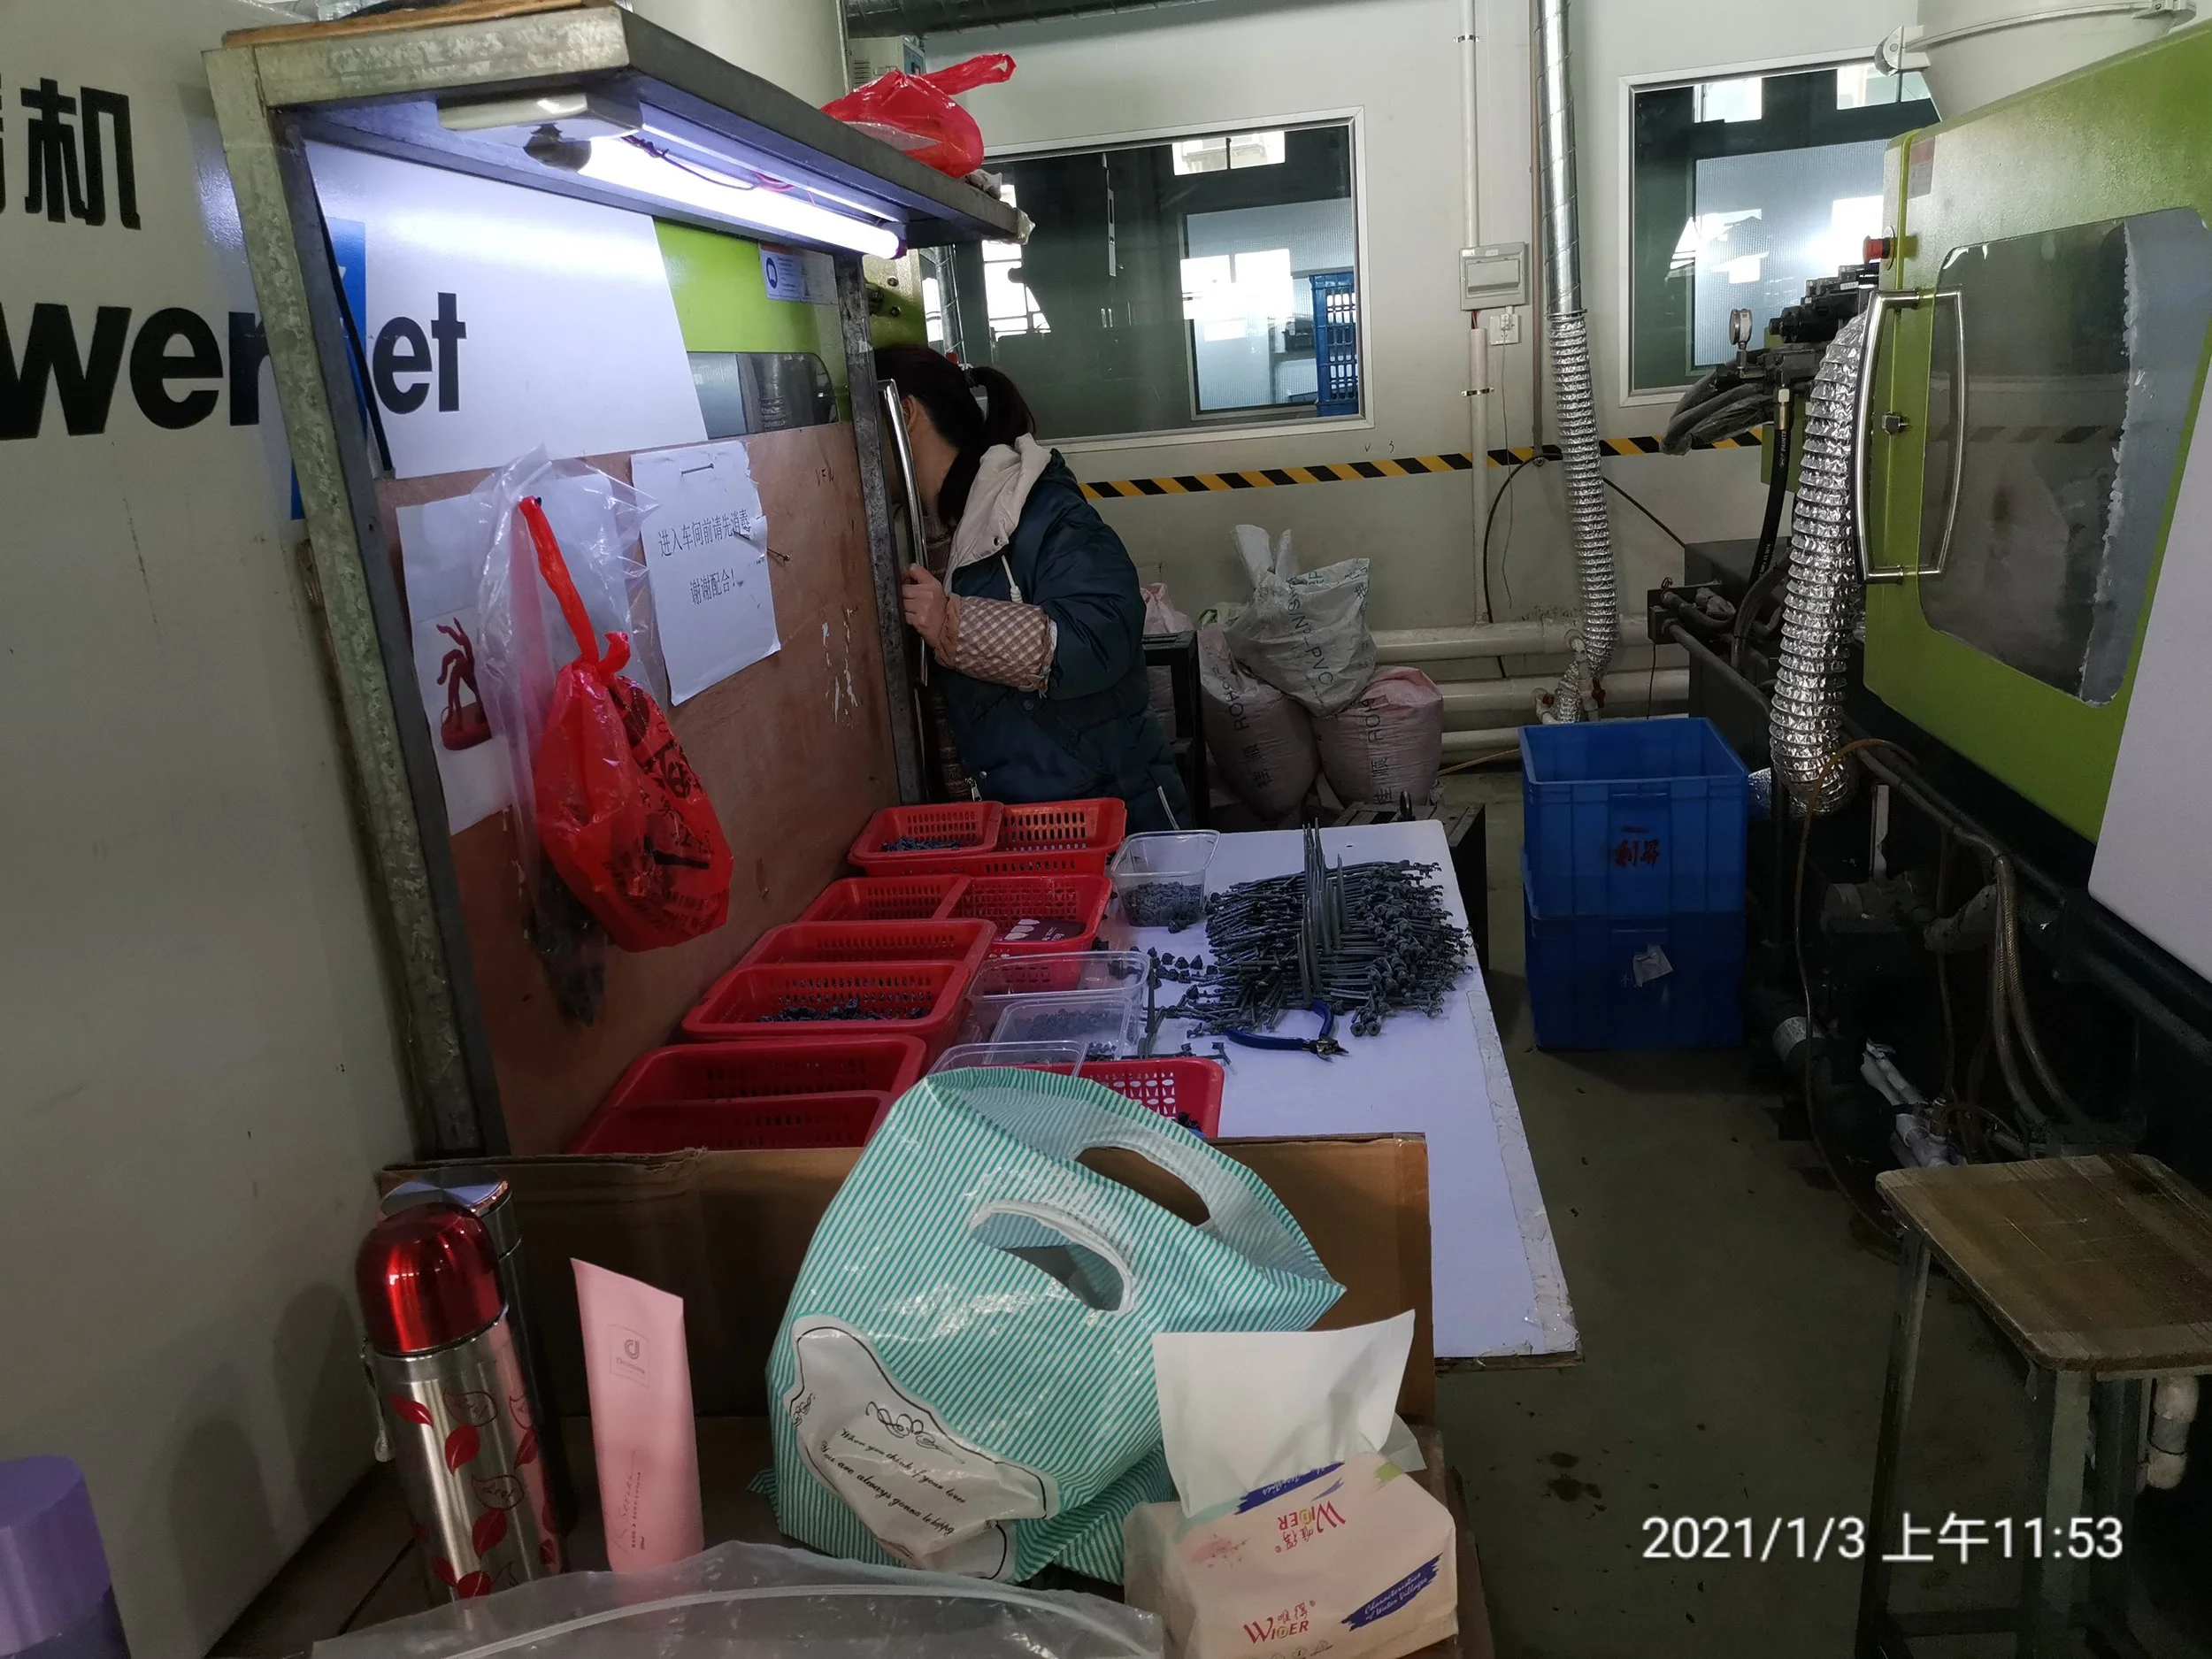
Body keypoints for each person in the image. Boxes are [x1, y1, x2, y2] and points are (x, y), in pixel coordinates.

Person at [875, 344, 1192, 833]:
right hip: (1019, 824)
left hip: (1109, 816)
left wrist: (954, 625)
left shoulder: (1039, 510)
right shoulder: (927, 533)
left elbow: (1100, 637)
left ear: (906, 415)